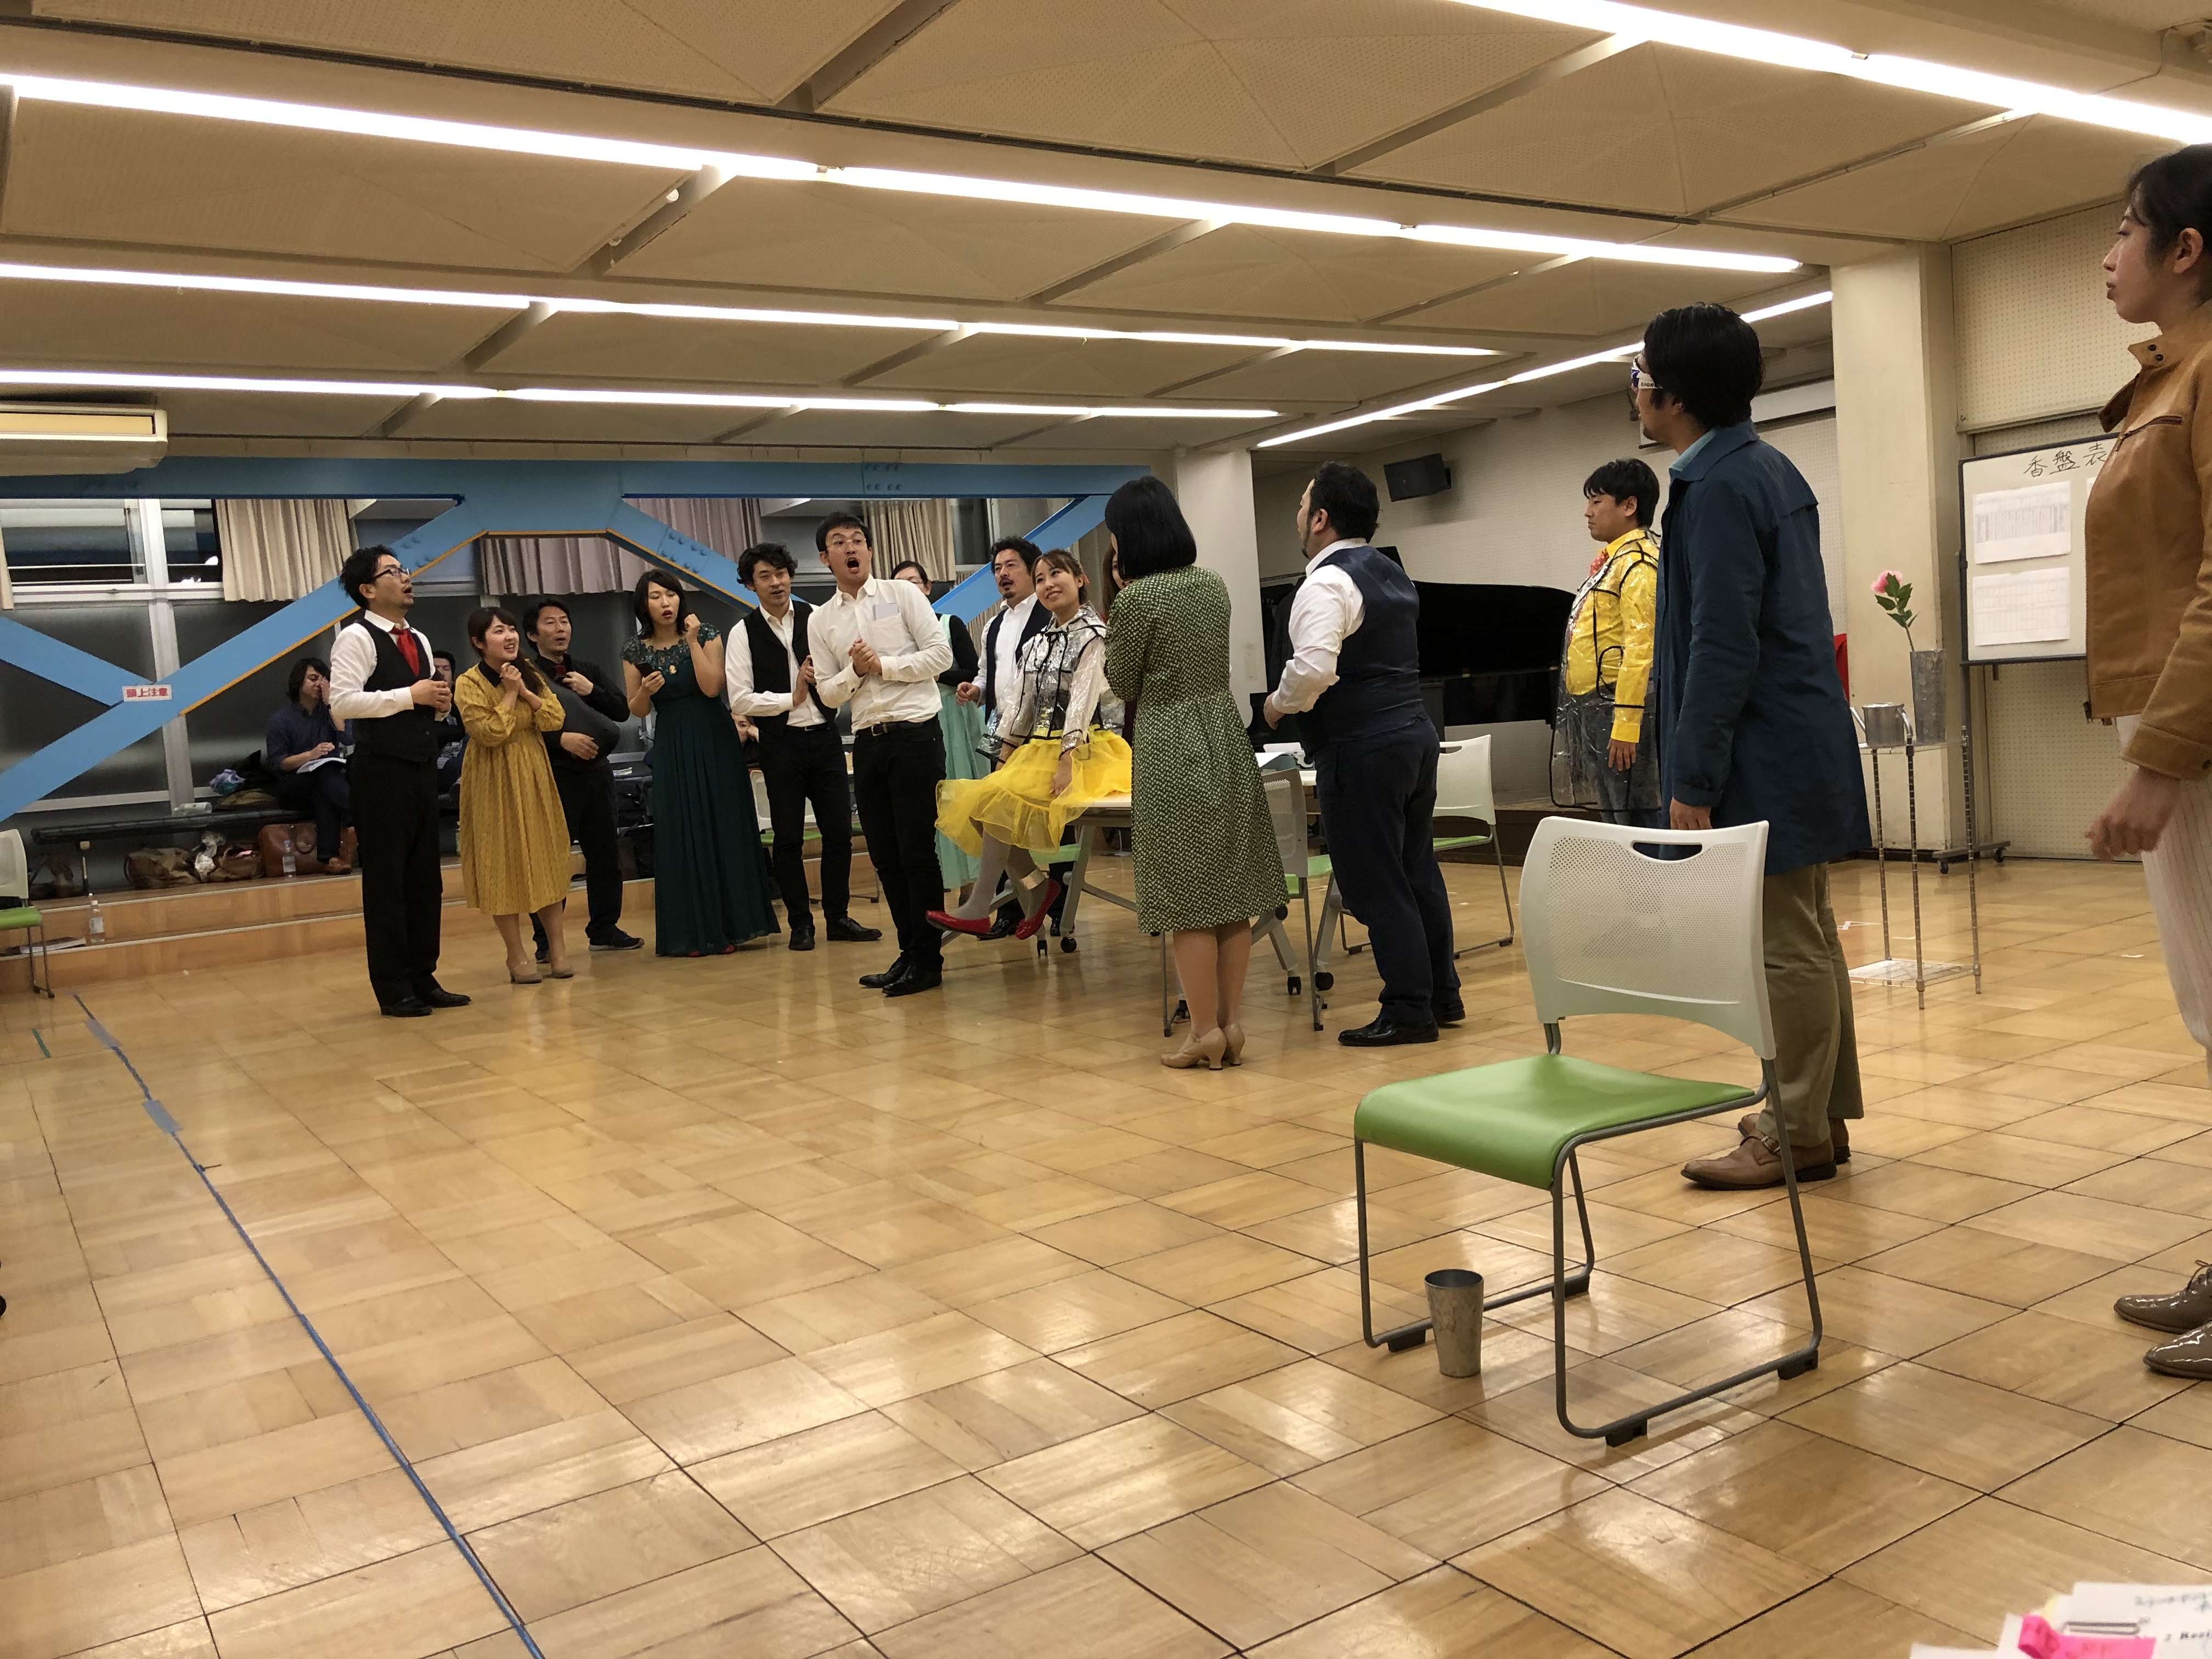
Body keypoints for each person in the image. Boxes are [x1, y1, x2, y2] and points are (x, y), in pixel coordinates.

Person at [1633, 302, 1870, 1190]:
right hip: (1790, 737)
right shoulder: (1761, 467)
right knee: (1806, 934)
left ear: (1673, 394)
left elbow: (1721, 645)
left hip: (1761, 748)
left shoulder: (1721, 486)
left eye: (1641, 372)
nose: (1634, 387)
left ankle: (1793, 1129)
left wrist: (1693, 776)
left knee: (1783, 944)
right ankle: (1817, 1115)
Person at [2083, 145, 2212, 1381]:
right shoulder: (2167, 377)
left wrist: (2163, 760)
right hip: (2173, 724)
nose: (2108, 255)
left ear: (2187, 248)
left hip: (2201, 737)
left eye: (2127, 229)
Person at [1262, 462, 1459, 1048]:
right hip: (1413, 735)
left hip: (1363, 747)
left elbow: (1314, 670)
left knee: (1375, 882)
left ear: (1321, 519)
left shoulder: (1326, 583)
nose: (1298, 515)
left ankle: (1408, 1009)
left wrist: (1275, 706)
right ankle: (1441, 995)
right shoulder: (1391, 573)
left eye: (1303, 506)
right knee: (1416, 870)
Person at [1104, 478, 1284, 1069]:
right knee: (1232, 891)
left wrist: (1120, 597)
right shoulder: (1212, 585)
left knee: (1186, 897)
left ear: (1130, 536)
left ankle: (1202, 1031)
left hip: (1169, 743)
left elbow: (1121, 682)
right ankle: (1231, 1025)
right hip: (1224, 732)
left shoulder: (1135, 600)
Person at [929, 549, 1131, 940]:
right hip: (1040, 747)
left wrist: (1068, 759)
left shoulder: (1096, 635)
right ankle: (1037, 886)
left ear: (1080, 579)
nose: (1048, 584)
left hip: (1089, 746)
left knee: (994, 806)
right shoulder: (1038, 641)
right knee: (977, 807)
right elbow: (1017, 705)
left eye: (1056, 574)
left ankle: (981, 905)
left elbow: (1082, 702)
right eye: (1041, 579)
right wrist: (1002, 754)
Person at [808, 512, 954, 996]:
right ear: (825, 558)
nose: (851, 548)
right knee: (885, 857)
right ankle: (909, 952)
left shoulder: (903, 594)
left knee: (916, 851)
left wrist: (883, 665)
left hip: (915, 735)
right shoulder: (821, 619)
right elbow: (828, 694)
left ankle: (929, 961)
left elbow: (941, 656)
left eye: (858, 540)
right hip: (867, 742)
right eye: (839, 542)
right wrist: (855, 671)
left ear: (870, 551)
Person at [328, 545, 470, 1018]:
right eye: (392, 571)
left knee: (425, 879)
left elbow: (425, 701)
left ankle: (423, 976)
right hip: (380, 772)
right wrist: (411, 695)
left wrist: (440, 705)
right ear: (368, 590)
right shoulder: (356, 637)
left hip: (420, 767)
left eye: (404, 569)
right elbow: (343, 704)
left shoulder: (420, 638)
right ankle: (393, 987)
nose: (406, 577)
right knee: (388, 882)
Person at [727, 543, 880, 952]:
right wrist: (789, 699)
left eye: (781, 573)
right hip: (780, 744)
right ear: (750, 585)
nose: (776, 582)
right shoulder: (743, 633)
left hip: (826, 738)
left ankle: (838, 918)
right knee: (789, 839)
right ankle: (800, 923)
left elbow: (848, 669)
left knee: (839, 834)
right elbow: (739, 697)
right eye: (765, 576)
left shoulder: (818, 616)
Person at [620, 569, 777, 957]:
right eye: (656, 596)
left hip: (714, 736)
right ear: (643, 605)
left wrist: (691, 642)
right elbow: (636, 709)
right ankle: (693, 931)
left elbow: (711, 688)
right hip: (673, 740)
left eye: (671, 594)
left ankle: (734, 925)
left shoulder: (706, 633)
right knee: (682, 828)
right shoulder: (635, 650)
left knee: (723, 823)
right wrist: (645, 691)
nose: (666, 603)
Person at [455, 607, 573, 983]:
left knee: (546, 857)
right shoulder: (468, 683)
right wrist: (509, 696)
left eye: (510, 629)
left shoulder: (529, 671)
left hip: (533, 770)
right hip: (492, 776)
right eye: (497, 632)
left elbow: (554, 719)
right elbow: (489, 732)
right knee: (501, 862)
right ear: (478, 642)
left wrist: (524, 690)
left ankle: (557, 949)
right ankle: (516, 955)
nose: (508, 637)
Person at [523, 599, 642, 957]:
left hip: (597, 773)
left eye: (564, 621)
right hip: (554, 776)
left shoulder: (586, 670)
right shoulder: (527, 676)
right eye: (550, 623)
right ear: (532, 634)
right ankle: (546, 941)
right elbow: (521, 727)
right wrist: (560, 740)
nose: (560, 628)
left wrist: (592, 691)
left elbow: (622, 710)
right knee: (552, 858)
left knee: (605, 853)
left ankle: (604, 928)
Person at [1555, 459, 1663, 827]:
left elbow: (1642, 648)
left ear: (1629, 506)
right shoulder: (1613, 562)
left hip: (1619, 703)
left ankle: (1648, 867)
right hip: (1597, 704)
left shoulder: (1638, 564)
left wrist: (1627, 723)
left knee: (1633, 813)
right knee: (1614, 814)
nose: (1588, 512)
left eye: (1597, 501)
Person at [889, 558, 988, 901]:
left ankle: (973, 888)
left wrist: (932, 673)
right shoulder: (891, 636)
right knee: (927, 808)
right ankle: (935, 888)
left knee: (961, 801)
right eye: (899, 586)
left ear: (928, 588)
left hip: (953, 717)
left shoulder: (949, 623)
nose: (908, 590)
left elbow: (973, 671)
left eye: (913, 583)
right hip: (912, 722)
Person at [266, 655, 353, 871]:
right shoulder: (281, 719)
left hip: (325, 783)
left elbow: (348, 738)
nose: (319, 684)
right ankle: (357, 817)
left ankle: (330, 859)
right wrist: (310, 755)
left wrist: (332, 704)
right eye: (313, 679)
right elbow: (278, 763)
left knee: (323, 789)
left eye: (324, 680)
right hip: (294, 784)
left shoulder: (331, 711)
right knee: (325, 775)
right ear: (299, 683)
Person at [430, 650, 466, 795]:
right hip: (438, 756)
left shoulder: (463, 697)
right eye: (436, 668)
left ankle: (460, 785)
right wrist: (458, 732)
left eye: (446, 668)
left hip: (463, 750)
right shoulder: (422, 700)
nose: (441, 673)